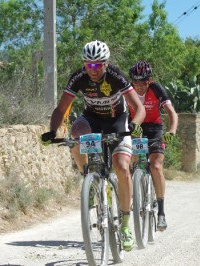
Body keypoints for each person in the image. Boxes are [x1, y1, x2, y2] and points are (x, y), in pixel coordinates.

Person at [41, 40, 146, 251]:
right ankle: (88, 175)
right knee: (76, 135)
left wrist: (134, 125)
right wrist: (52, 131)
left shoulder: (116, 76)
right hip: (92, 118)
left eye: (97, 65)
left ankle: (125, 226)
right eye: (88, 65)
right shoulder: (78, 77)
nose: (93, 70)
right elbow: (61, 109)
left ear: (106, 64)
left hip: (117, 120)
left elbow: (139, 107)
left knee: (122, 166)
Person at [128, 60, 178, 231]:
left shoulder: (156, 89)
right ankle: (133, 190)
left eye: (143, 82)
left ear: (149, 80)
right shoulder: (127, 90)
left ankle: (161, 213)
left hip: (155, 129)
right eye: (136, 82)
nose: (140, 86)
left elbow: (172, 113)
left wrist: (171, 131)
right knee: (131, 162)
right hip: (135, 127)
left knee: (156, 166)